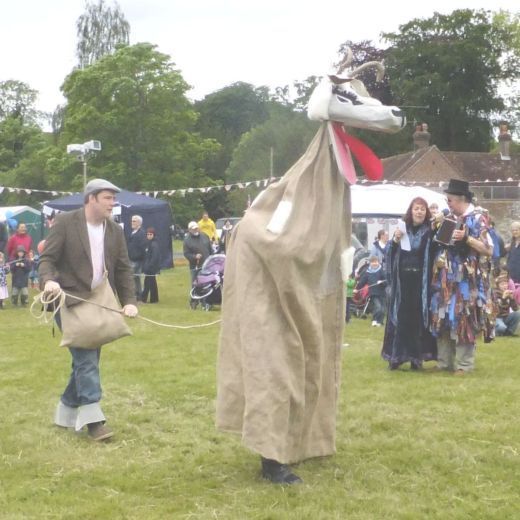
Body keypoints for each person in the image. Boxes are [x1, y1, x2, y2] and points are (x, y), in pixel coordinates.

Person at [38, 179, 138, 441]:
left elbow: (124, 268)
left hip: (99, 300)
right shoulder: (65, 222)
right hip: (67, 299)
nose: (112, 203)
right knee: (85, 358)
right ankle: (95, 421)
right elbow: (47, 259)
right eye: (107, 198)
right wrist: (49, 280)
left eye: (113, 198)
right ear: (91, 198)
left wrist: (129, 301)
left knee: (87, 359)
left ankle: (65, 411)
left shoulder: (114, 230)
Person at [430, 179, 494, 375]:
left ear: (461, 199)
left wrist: (466, 238)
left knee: (464, 317)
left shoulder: (478, 218)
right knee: (442, 316)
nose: (447, 203)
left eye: (449, 200)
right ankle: (444, 362)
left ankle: (464, 365)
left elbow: (488, 250)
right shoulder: (448, 217)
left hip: (467, 280)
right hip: (446, 278)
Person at [382, 197, 437, 370]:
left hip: (421, 283)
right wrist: (395, 240)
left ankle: (416, 358)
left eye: (422, 209)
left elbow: (435, 254)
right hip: (402, 283)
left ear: (426, 212)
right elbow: (389, 254)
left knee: (417, 319)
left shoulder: (430, 231)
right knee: (400, 318)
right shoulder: (401, 230)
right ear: (411, 211)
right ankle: (397, 357)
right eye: (416, 208)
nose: (419, 212)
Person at [354, 255, 386, 327]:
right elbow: (362, 281)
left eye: (376, 262)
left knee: (383, 309)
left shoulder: (382, 271)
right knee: (378, 307)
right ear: (370, 263)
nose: (375, 263)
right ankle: (374, 320)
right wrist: (357, 289)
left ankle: (379, 322)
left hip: (382, 293)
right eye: (373, 262)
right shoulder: (368, 272)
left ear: (378, 262)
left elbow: (387, 281)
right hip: (373, 293)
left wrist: (382, 282)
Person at [126, 215, 148, 301]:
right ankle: (138, 294)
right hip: (131, 259)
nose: (132, 222)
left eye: (134, 221)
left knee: (132, 277)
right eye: (132, 220)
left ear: (139, 223)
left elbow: (143, 248)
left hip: (136, 260)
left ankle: (134, 295)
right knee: (136, 278)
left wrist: (139, 258)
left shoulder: (141, 233)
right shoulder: (133, 232)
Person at [141, 227, 161, 303]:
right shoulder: (149, 243)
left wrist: (149, 266)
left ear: (153, 235)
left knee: (147, 283)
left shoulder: (154, 244)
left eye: (150, 234)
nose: (149, 236)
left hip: (151, 268)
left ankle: (143, 299)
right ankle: (154, 299)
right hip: (149, 266)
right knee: (152, 283)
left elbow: (155, 257)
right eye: (148, 234)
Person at [506, 221, 520, 303]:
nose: (515, 232)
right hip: (512, 274)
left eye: (517, 230)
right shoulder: (512, 242)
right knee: (512, 296)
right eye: (513, 230)